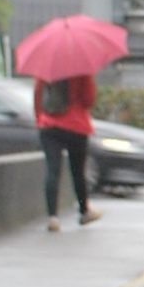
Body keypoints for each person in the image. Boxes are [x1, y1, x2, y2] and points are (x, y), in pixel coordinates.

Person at [35, 71, 100, 232]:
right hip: (77, 126)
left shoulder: (48, 68)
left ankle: (53, 217)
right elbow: (89, 100)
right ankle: (84, 211)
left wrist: (40, 119)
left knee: (52, 170)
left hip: (49, 126)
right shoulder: (82, 70)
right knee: (78, 171)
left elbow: (38, 96)